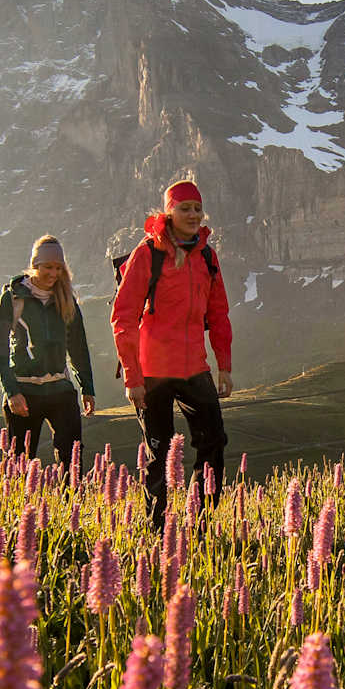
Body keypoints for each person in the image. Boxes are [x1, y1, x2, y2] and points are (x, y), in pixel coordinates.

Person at [111, 179, 233, 524]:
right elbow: (122, 316)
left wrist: (224, 366)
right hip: (152, 371)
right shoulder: (147, 253)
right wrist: (133, 378)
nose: (193, 214)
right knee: (159, 452)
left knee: (213, 442)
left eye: (197, 208)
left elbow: (219, 314)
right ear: (169, 211)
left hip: (195, 366)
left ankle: (200, 522)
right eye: (185, 208)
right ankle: (159, 530)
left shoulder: (207, 256)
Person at [0, 235, 97, 462]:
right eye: (48, 267)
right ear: (35, 265)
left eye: (59, 268)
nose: (53, 273)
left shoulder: (67, 300)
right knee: (20, 464)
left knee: (72, 462)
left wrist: (87, 388)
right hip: (24, 393)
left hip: (61, 391)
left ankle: (69, 498)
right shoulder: (13, 299)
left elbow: (78, 348)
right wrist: (12, 392)